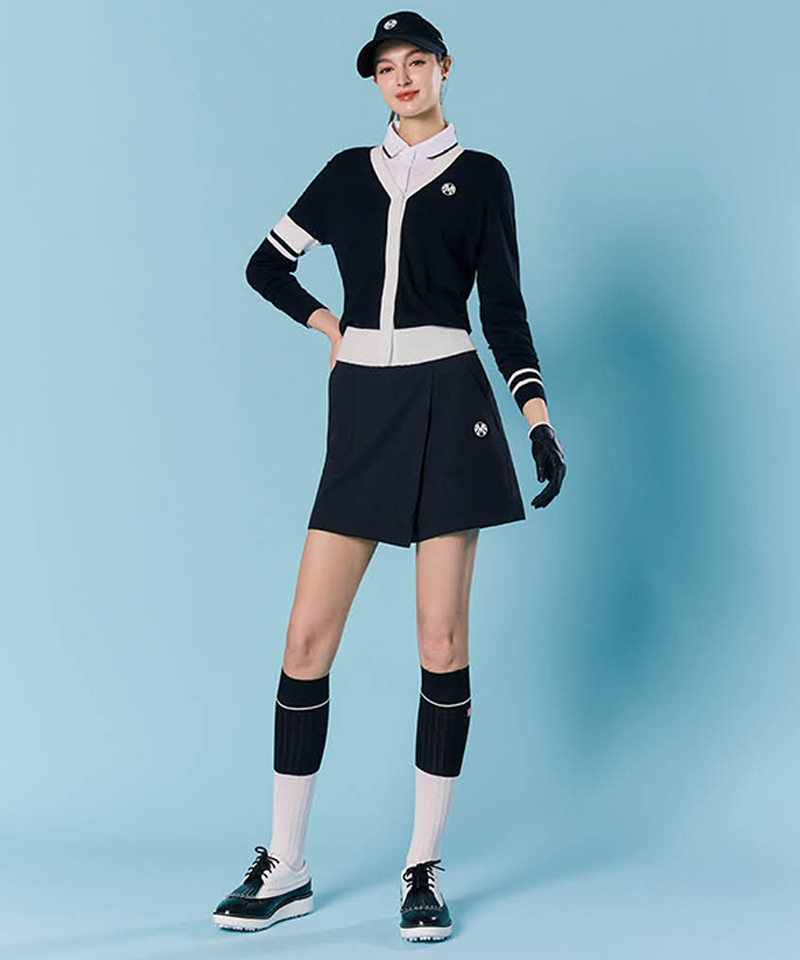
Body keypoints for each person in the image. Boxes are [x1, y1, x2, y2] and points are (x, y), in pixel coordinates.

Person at [212, 10, 566, 943]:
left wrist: (537, 418)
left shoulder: (482, 178)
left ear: (445, 68)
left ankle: (422, 867)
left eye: (417, 62)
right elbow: (264, 266)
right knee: (305, 640)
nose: (402, 78)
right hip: (365, 406)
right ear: (374, 81)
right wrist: (327, 324)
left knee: (440, 639)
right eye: (386, 68)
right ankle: (286, 864)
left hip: (454, 403)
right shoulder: (344, 175)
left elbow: (506, 313)